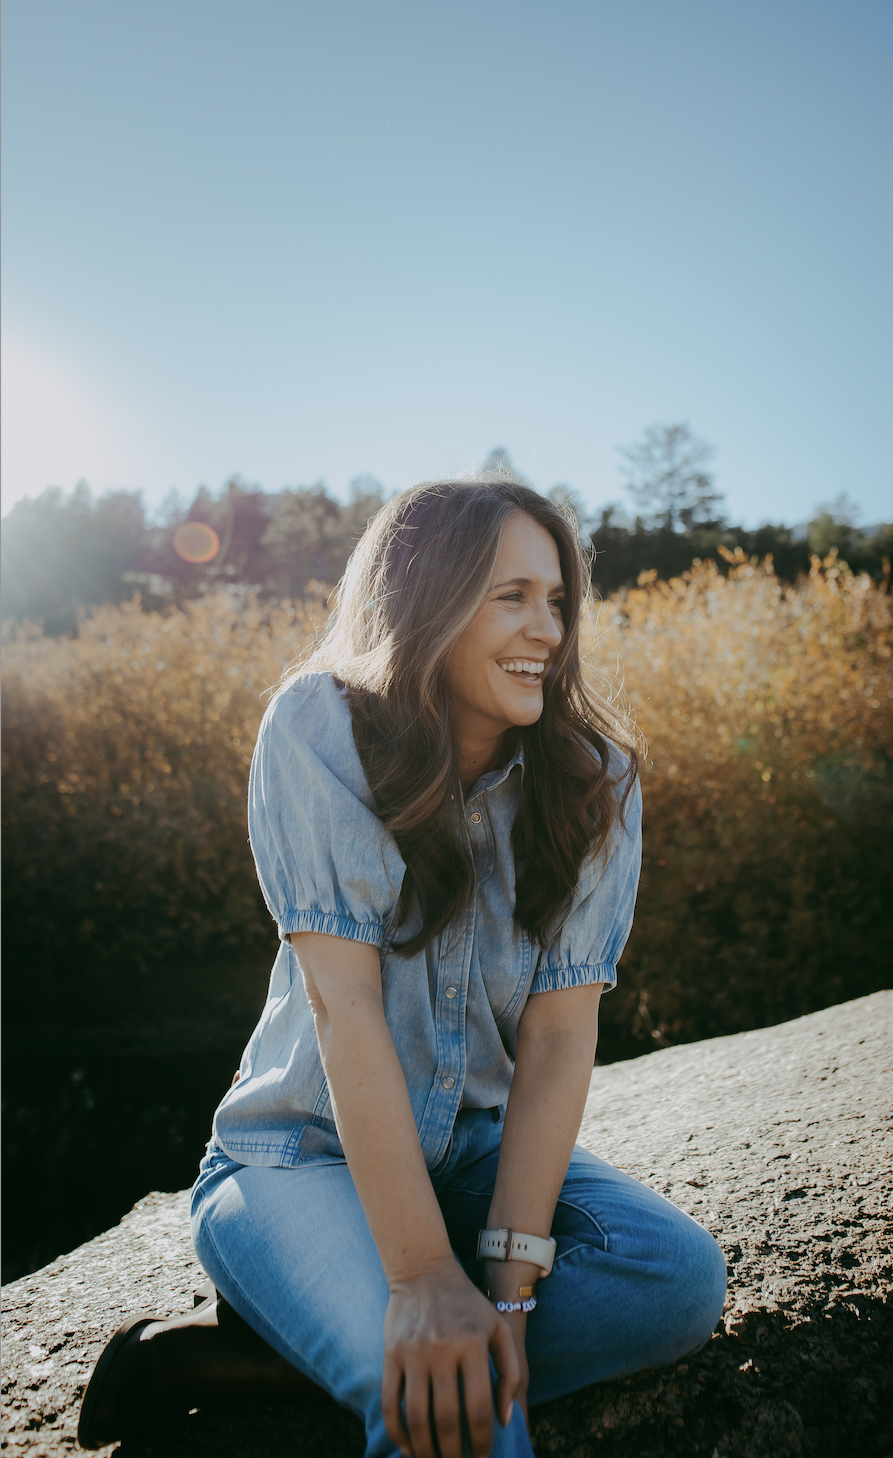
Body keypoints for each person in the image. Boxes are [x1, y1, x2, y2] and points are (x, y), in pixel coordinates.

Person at [78, 478, 727, 1458]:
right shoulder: (319, 729)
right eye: (511, 595)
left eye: (556, 601)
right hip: (296, 1157)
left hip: (473, 1155)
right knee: (464, 1415)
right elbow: (346, 1010)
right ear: (428, 596)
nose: (547, 629)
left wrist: (504, 1300)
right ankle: (376, 1337)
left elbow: (560, 1036)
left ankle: (263, 1364)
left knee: (674, 1280)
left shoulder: (599, 779)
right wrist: (424, 1277)